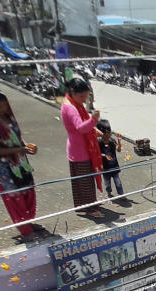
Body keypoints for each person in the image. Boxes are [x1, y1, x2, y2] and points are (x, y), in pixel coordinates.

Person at [0, 85, 45, 243]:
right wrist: (20, 149)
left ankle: (28, 223)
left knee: (28, 192)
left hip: (20, 161)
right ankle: (25, 231)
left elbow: (16, 136)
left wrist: (27, 146)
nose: (3, 109)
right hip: (3, 167)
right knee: (15, 199)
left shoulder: (8, 115)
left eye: (5, 105)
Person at [61, 78, 106, 219]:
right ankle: (91, 208)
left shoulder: (73, 103)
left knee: (81, 181)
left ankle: (85, 204)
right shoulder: (71, 107)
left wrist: (94, 130)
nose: (83, 100)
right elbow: (80, 128)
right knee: (85, 182)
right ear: (73, 92)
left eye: (85, 97)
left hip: (77, 148)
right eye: (81, 96)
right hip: (80, 152)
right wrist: (94, 120)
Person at [97, 120, 125, 199]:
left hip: (114, 166)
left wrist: (119, 142)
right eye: (108, 133)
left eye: (110, 132)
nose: (110, 134)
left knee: (118, 183)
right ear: (102, 133)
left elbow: (118, 150)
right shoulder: (99, 142)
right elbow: (96, 154)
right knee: (107, 183)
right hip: (105, 168)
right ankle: (109, 193)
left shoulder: (112, 141)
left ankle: (121, 195)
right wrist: (105, 156)